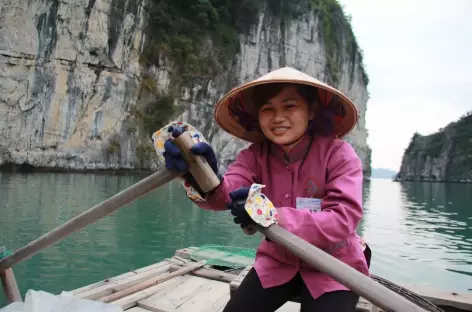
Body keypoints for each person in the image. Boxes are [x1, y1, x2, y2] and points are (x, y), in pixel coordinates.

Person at [159, 67, 371, 312]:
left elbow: (342, 219)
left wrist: (269, 215)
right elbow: (226, 193)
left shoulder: (340, 155)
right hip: (279, 259)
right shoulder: (254, 156)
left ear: (311, 111)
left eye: (289, 106)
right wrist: (200, 173)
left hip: (334, 263)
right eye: (267, 109)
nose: (277, 117)